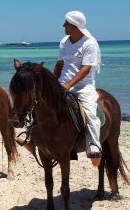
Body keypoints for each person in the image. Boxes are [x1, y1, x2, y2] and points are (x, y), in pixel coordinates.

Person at [53, 11, 102, 166]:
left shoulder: (90, 43)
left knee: (89, 112)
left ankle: (93, 145)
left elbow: (86, 68)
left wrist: (69, 85)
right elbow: (60, 64)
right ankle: (30, 137)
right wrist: (53, 82)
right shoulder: (64, 42)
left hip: (83, 86)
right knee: (39, 105)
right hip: (62, 84)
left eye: (66, 23)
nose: (63, 26)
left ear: (75, 26)